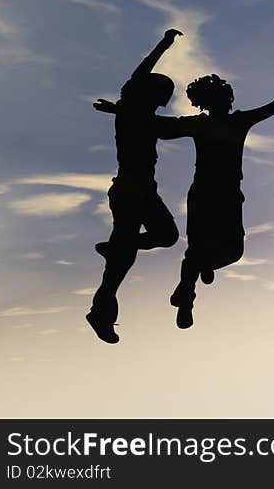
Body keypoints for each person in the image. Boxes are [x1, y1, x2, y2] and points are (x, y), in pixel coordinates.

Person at [95, 58, 274, 329]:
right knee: (209, 251)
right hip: (216, 196)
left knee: (209, 252)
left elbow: (157, 125)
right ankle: (186, 295)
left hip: (214, 195)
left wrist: (121, 112)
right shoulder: (231, 122)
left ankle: (194, 278)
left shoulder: (205, 124)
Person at [87, 28, 182, 343]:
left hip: (137, 189)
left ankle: (116, 250)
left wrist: (165, 44)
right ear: (153, 97)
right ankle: (101, 311)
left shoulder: (130, 109)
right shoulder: (141, 117)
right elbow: (143, 74)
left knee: (162, 238)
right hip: (132, 189)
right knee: (122, 263)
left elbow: (142, 71)